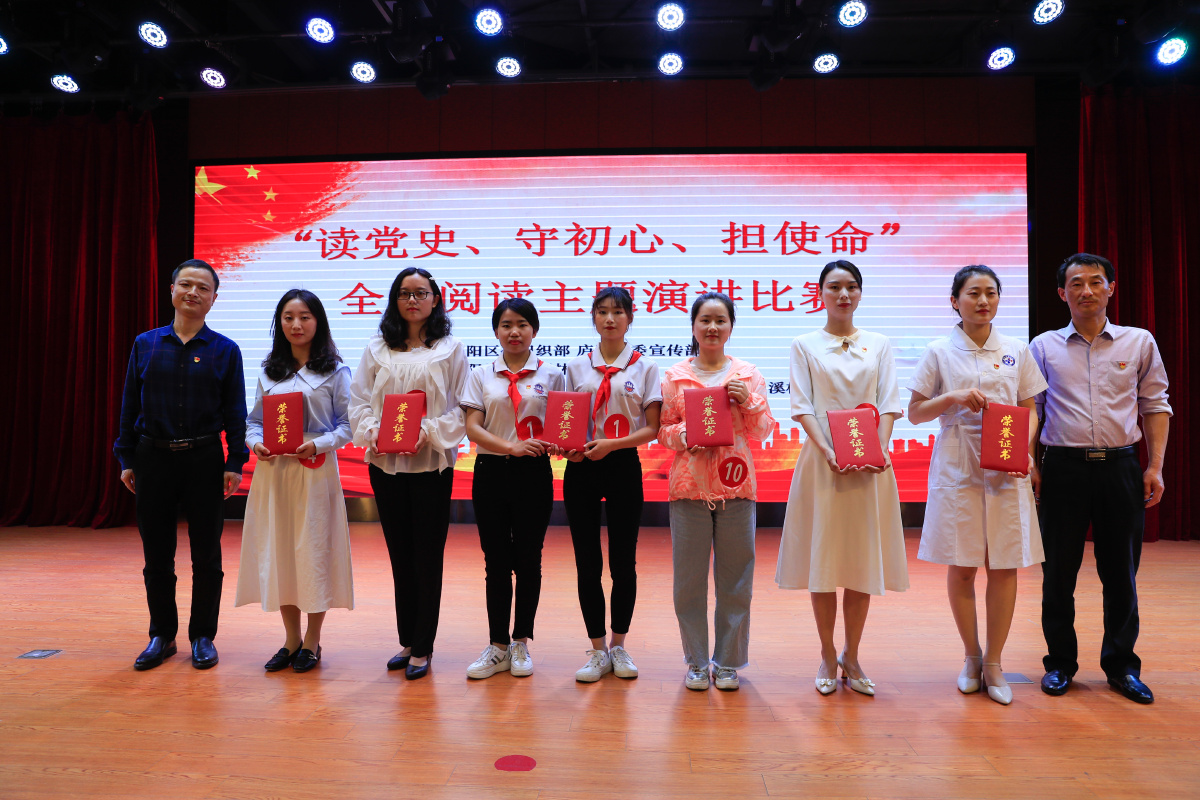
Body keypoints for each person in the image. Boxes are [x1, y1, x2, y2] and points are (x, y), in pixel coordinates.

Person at [1031, 253, 1171, 705]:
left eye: (1095, 282)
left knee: (1121, 573)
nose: (1086, 290)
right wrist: (1031, 464)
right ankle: (1060, 664)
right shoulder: (1044, 347)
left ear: (1111, 288)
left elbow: (1155, 405)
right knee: (1058, 573)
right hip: (1063, 469)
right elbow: (1031, 411)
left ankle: (1122, 667)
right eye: (1076, 283)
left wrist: (1155, 467)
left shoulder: (1139, 342)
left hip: (1120, 468)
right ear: (1062, 293)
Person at [907, 266, 1046, 705]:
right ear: (955, 301)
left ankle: (995, 663)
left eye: (991, 293)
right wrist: (952, 398)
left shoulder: (1016, 349)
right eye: (973, 293)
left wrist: (1023, 450)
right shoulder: (938, 351)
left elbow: (1030, 407)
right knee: (964, 564)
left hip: (1006, 468)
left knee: (1004, 564)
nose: (983, 301)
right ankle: (971, 656)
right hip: (959, 465)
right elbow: (915, 413)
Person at [775, 260, 907, 697]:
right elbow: (802, 406)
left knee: (860, 561)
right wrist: (828, 450)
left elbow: (888, 403)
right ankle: (827, 654)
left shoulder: (879, 343)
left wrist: (879, 449)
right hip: (823, 464)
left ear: (861, 293)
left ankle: (852, 654)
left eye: (852, 287)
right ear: (820, 293)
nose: (843, 295)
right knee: (825, 560)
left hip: (870, 468)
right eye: (834, 287)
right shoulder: (804, 344)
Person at [114, 259, 247, 671]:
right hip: (152, 457)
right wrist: (126, 457)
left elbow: (235, 412)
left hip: (204, 458)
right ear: (172, 289)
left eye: (203, 288)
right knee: (157, 554)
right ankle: (162, 635)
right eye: (186, 285)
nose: (193, 293)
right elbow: (129, 405)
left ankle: (203, 635)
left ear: (214, 298)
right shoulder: (145, 344)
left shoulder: (225, 350)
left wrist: (234, 461)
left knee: (207, 555)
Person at [349, 267, 467, 680]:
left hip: (430, 464)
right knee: (400, 554)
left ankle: (423, 645)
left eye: (421, 293)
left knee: (427, 556)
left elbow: (462, 407)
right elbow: (359, 400)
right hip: (385, 465)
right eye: (404, 293)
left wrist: (427, 432)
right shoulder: (377, 348)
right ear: (394, 300)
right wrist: (373, 433)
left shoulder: (450, 349)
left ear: (436, 299)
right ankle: (407, 639)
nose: (412, 300)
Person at [659, 292, 775, 691]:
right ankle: (695, 661)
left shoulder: (747, 374)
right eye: (704, 320)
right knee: (688, 582)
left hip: (736, 485)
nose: (712, 327)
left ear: (730, 327)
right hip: (688, 488)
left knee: (736, 580)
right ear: (693, 326)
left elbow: (763, 430)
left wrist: (750, 401)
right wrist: (685, 433)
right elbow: (663, 431)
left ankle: (727, 662)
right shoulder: (675, 376)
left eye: (720, 320)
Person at [234, 289, 354, 673]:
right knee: (281, 552)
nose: (296, 324)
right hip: (274, 476)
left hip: (315, 474)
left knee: (313, 553)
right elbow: (253, 422)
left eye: (304, 317)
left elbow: (348, 425)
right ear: (279, 323)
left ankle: (313, 640)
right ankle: (290, 639)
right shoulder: (269, 372)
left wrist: (318, 443)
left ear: (318, 322)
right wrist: (255, 443)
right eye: (288, 317)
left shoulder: (336, 372)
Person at [560, 287, 662, 682]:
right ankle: (597, 649)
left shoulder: (645, 367)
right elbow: (566, 421)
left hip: (622, 465)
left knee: (623, 562)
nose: (609, 319)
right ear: (593, 318)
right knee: (587, 562)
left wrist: (612, 445)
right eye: (602, 312)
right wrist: (569, 448)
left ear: (630, 318)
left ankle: (619, 646)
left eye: (617, 312)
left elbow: (652, 428)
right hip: (582, 466)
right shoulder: (576, 367)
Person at [461, 298, 564, 679]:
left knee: (529, 560)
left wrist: (559, 442)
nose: (514, 332)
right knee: (496, 562)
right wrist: (510, 447)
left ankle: (520, 642)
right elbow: (473, 427)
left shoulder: (552, 375)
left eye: (522, 324)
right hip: (491, 471)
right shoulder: (480, 374)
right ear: (496, 331)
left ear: (534, 330)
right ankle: (497, 646)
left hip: (533, 474)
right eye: (506, 325)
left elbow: (563, 424)